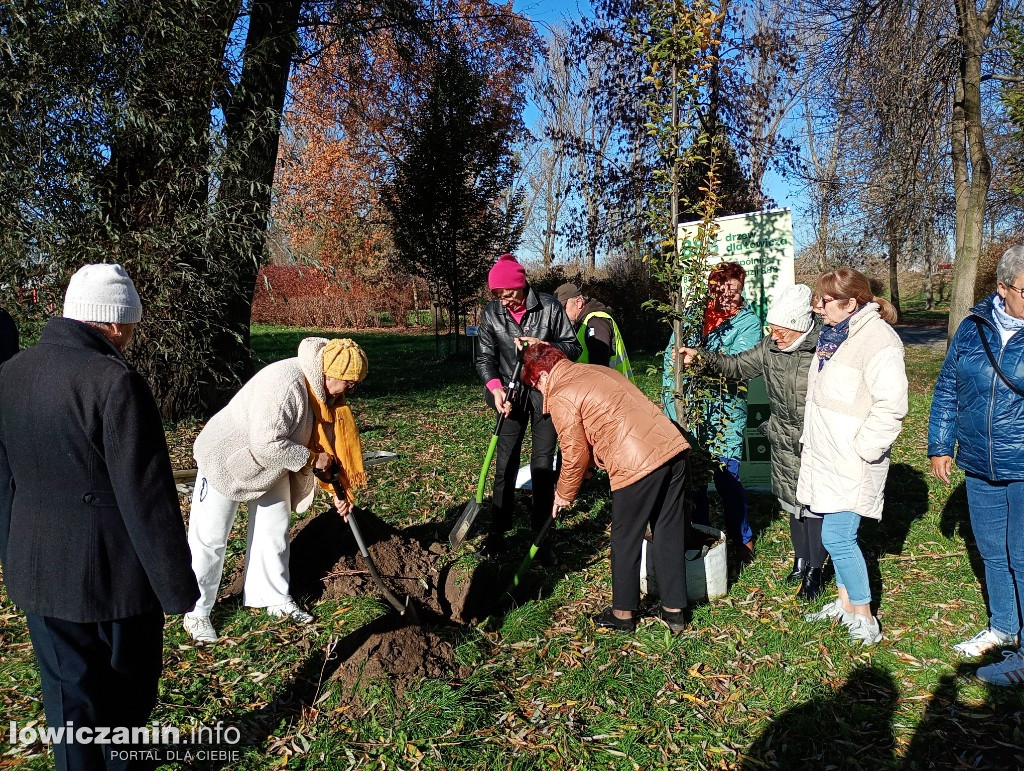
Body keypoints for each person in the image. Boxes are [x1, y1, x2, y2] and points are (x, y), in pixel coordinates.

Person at [0, 263, 199, 770]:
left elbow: (3, 480)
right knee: (126, 698)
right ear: (112, 322)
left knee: (68, 703)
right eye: (131, 323)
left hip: (37, 570)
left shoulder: (10, 373)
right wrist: (177, 588)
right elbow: (147, 498)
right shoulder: (115, 384)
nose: (132, 334)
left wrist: (10, 556)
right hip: (114, 582)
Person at [184, 337, 368, 643]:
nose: (351, 392)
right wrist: (311, 459)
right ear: (330, 374)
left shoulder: (324, 397)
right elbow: (266, 443)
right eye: (349, 384)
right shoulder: (286, 385)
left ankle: (271, 597)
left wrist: (338, 492)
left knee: (275, 527)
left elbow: (325, 449)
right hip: (226, 459)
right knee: (211, 537)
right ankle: (197, 612)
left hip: (275, 462)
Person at [521, 344, 691, 632]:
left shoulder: (562, 393)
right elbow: (597, 429)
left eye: (535, 385)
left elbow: (574, 452)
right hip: (672, 449)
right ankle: (675, 612)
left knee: (625, 537)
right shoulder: (595, 371)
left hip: (637, 462)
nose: (538, 392)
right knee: (667, 530)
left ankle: (623, 614)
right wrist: (585, 473)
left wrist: (563, 494)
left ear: (544, 376)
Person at [679, 284, 826, 597]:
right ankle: (800, 561)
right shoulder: (771, 346)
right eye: (771, 328)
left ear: (800, 327)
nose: (774, 335)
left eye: (780, 329)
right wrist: (702, 358)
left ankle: (815, 570)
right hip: (784, 437)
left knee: (814, 508)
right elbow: (738, 365)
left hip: (817, 438)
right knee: (791, 502)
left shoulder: (824, 348)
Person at [929, 245, 1024, 684]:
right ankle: (1004, 628)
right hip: (981, 462)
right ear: (1003, 288)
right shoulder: (973, 327)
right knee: (992, 551)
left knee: (1022, 556)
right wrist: (940, 443)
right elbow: (948, 385)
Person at [799, 268, 907, 646]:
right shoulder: (835, 336)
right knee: (840, 534)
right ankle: (845, 604)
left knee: (838, 537)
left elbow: (891, 405)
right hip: (828, 455)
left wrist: (866, 449)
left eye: (825, 301)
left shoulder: (879, 340)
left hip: (853, 459)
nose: (819, 307)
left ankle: (864, 615)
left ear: (851, 302)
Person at [476, 253, 581, 561]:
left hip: (544, 393)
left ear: (521, 286)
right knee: (505, 464)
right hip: (508, 396)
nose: (503, 300)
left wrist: (543, 347)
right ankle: (497, 532)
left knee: (542, 465)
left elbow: (573, 347)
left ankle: (542, 535)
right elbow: (485, 358)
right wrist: (495, 389)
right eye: (497, 295)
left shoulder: (548, 307)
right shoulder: (492, 313)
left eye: (507, 293)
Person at [662, 261, 763, 561]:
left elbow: (738, 364)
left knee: (726, 477)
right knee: (693, 478)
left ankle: (742, 538)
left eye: (734, 289)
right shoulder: (693, 315)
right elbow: (672, 358)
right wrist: (672, 403)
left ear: (742, 289)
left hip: (725, 411)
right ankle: (701, 533)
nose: (727, 296)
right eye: (720, 289)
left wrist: (701, 359)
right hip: (690, 409)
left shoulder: (749, 323)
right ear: (711, 288)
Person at [554, 282, 633, 379]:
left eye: (563, 308)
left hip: (610, 390)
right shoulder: (584, 322)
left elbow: (600, 365)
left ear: (579, 302)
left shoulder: (596, 321)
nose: (561, 313)